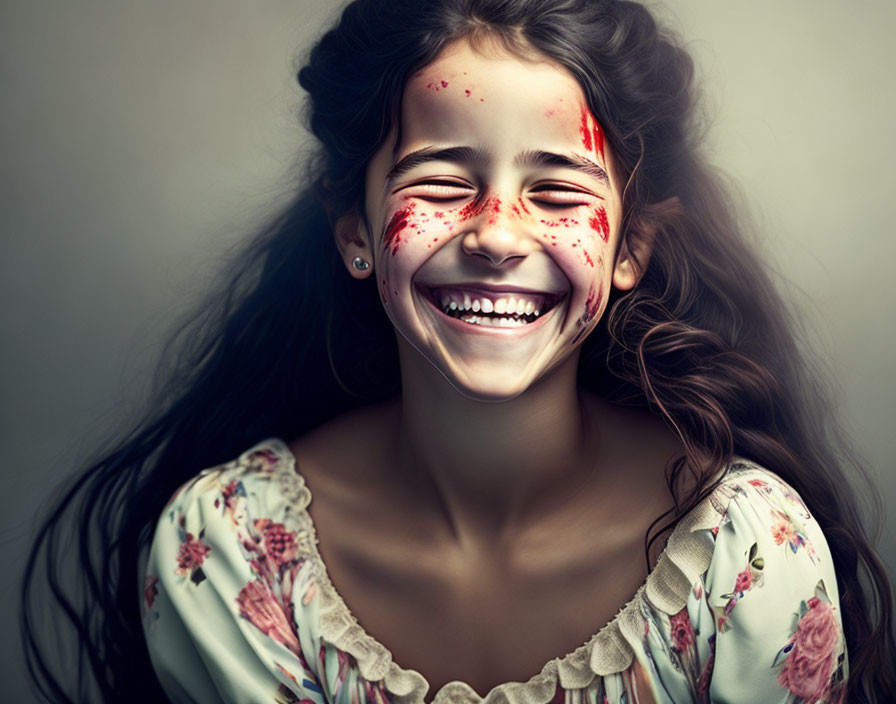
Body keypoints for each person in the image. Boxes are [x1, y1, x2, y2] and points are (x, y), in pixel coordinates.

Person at [21, 0, 896, 702]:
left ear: (631, 249)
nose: (497, 236)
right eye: (442, 182)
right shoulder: (225, 551)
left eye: (556, 191)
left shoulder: (746, 557)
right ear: (354, 227)